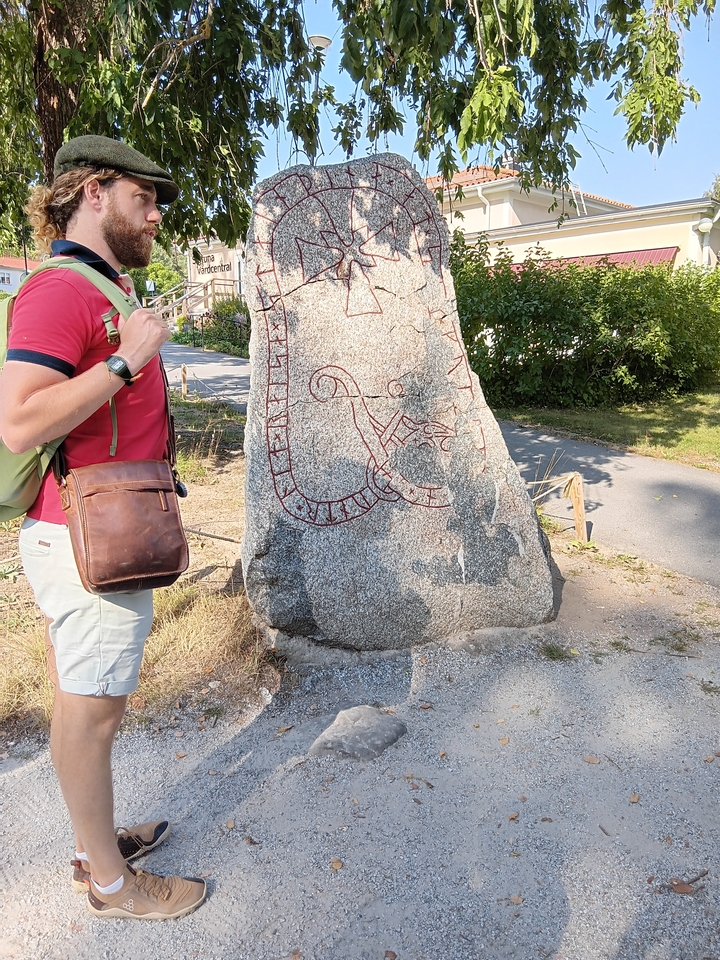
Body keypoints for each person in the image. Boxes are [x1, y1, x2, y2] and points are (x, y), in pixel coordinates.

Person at [0, 136, 206, 920]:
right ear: (93, 192)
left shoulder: (101, 285)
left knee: (80, 704)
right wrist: (125, 361)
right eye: (142, 198)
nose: (155, 215)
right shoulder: (60, 292)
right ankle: (113, 888)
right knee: (93, 717)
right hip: (89, 543)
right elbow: (19, 421)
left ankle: (96, 847)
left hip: (100, 531)